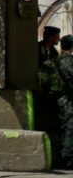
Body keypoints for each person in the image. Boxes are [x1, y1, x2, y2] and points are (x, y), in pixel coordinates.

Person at [56, 35, 73, 168]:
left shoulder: (56, 59)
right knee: (69, 129)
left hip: (61, 98)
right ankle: (67, 160)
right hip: (67, 100)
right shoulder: (67, 60)